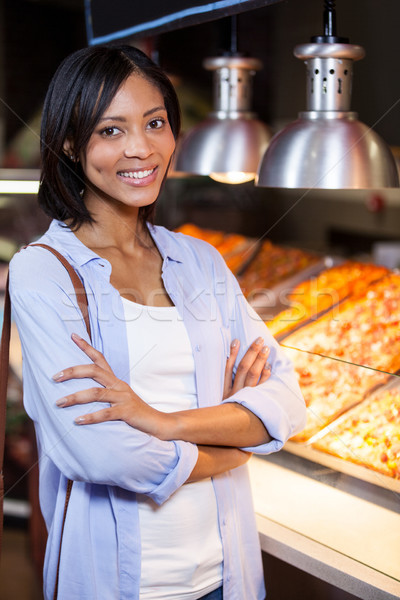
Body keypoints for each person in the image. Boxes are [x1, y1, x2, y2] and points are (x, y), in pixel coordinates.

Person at [9, 45, 306, 600]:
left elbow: (287, 399)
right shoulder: (42, 271)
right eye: (111, 131)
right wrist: (234, 439)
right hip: (119, 582)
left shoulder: (200, 260)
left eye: (155, 123)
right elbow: (102, 452)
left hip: (226, 573)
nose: (141, 148)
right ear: (71, 144)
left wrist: (159, 421)